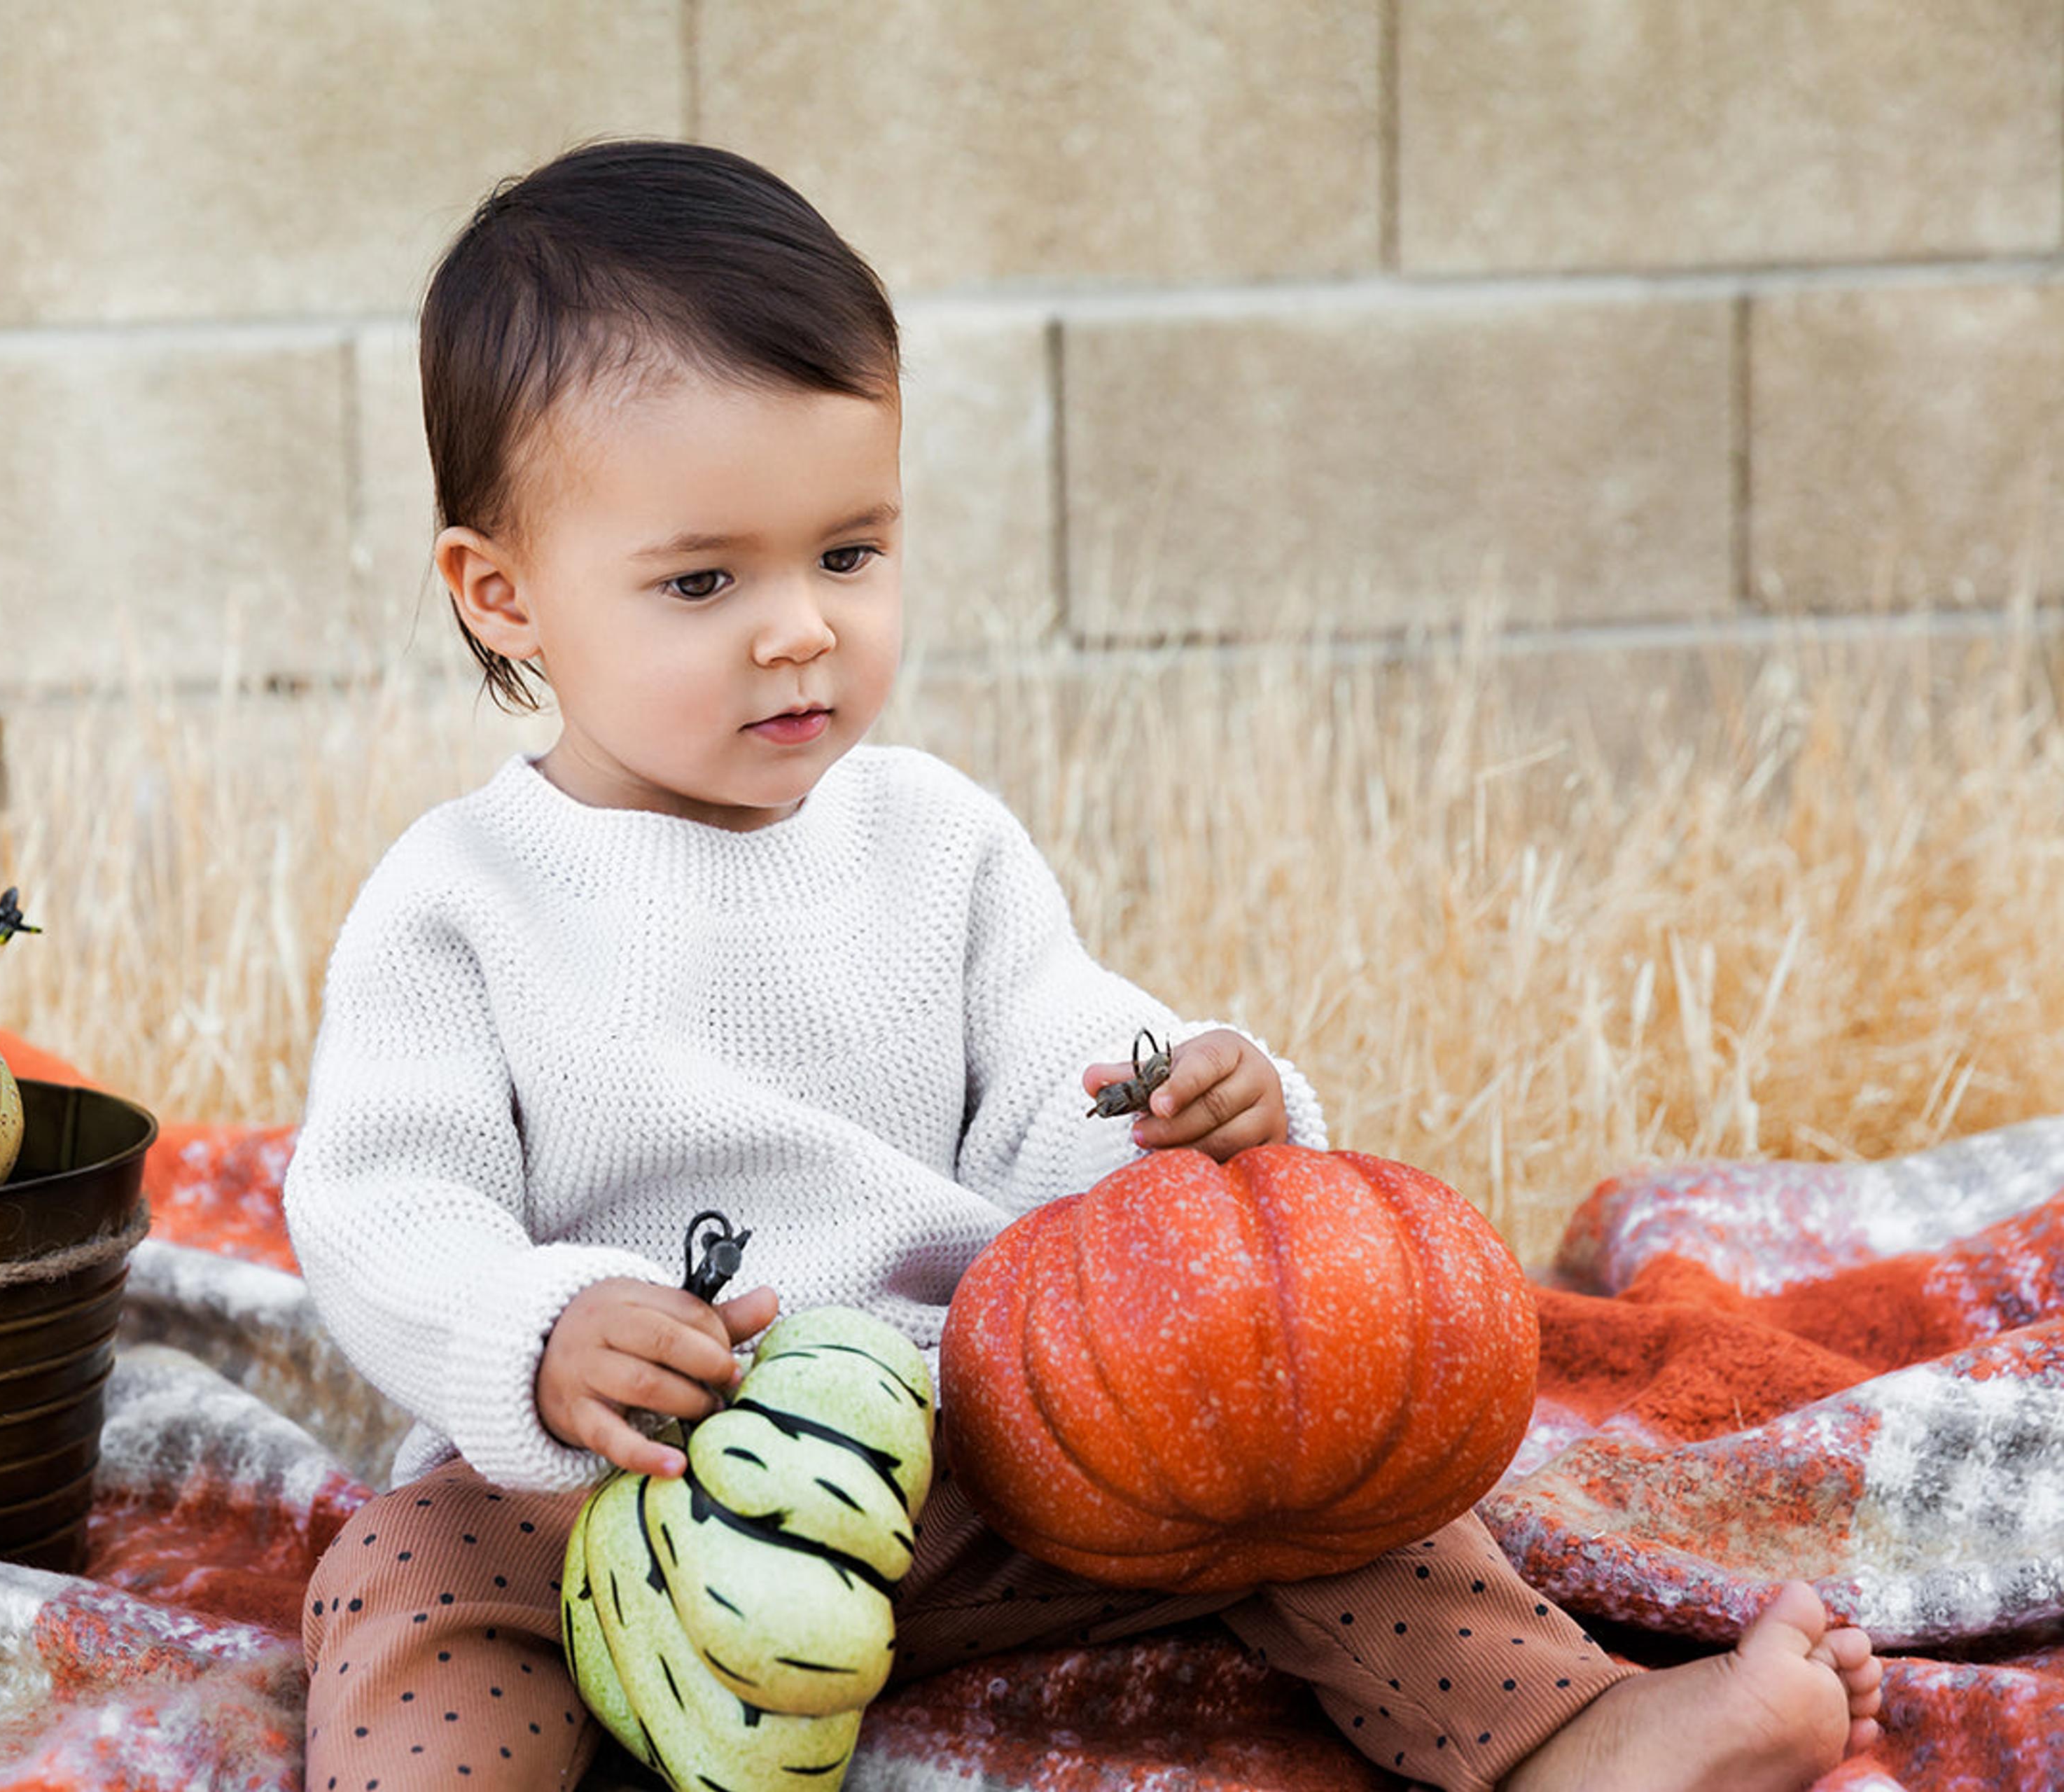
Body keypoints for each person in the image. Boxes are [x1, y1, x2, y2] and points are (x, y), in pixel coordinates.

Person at [282, 137, 1883, 1792]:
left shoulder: (932, 838)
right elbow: (380, 1204)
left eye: (849, 552)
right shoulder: (461, 900)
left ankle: (1569, 1731)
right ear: (505, 594)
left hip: (980, 1457)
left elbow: (1066, 1064)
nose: (802, 628)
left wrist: (1185, 1104)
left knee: (1300, 1433)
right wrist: (535, 1331)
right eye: (705, 580)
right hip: (639, 1498)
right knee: (405, 1574)